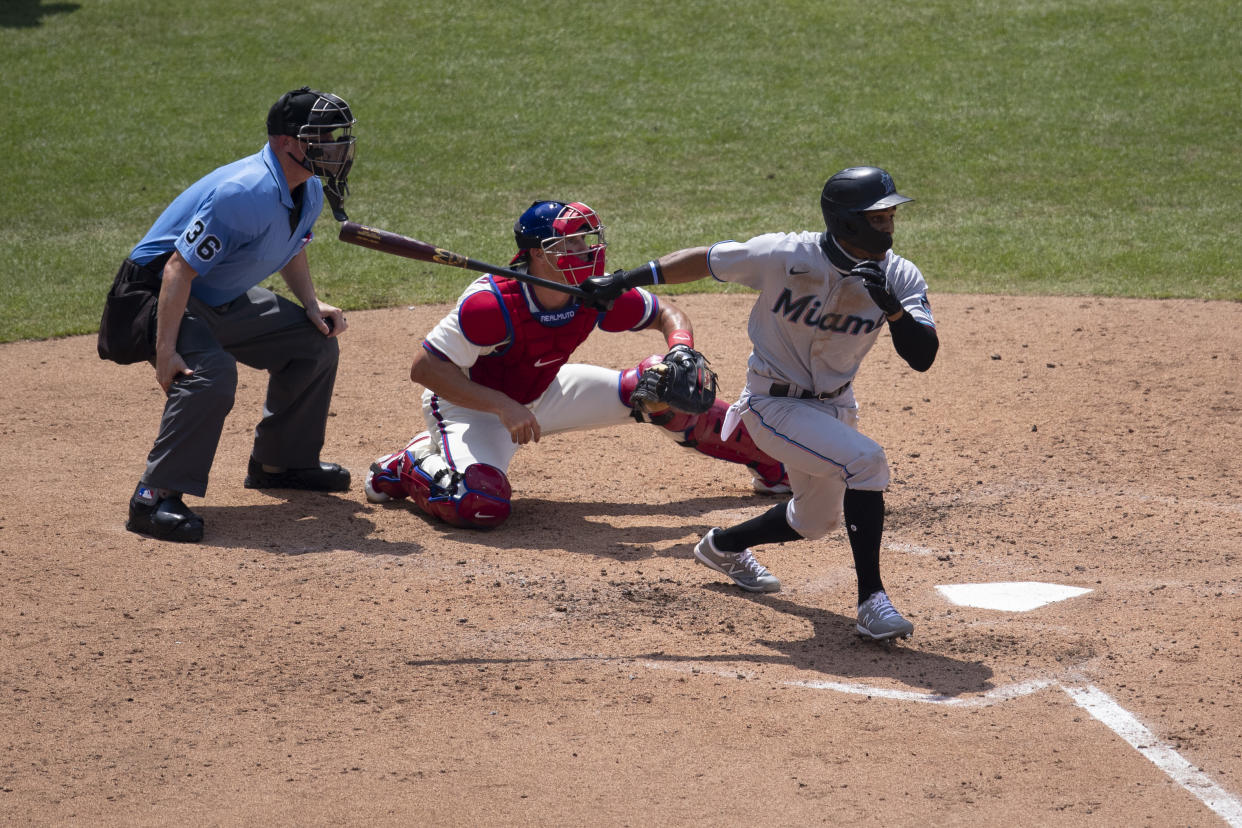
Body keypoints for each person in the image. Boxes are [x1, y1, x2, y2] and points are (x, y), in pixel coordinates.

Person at [578, 167, 939, 641]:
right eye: (878, 217)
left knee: (816, 521)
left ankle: (722, 546)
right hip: (771, 405)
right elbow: (706, 260)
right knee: (867, 463)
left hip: (835, 407)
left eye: (891, 215)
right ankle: (872, 601)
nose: (889, 225)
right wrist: (622, 281)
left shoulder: (899, 276)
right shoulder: (786, 255)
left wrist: (891, 308)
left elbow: (923, 356)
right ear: (848, 221)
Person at [363, 199, 790, 528]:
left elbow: (666, 314)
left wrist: (680, 348)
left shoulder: (593, 292)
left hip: (547, 390)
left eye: (585, 240)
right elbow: (426, 369)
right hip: (472, 408)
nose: (583, 251)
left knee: (663, 389)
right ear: (535, 255)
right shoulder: (490, 305)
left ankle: (775, 469)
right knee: (480, 506)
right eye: (565, 244)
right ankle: (409, 463)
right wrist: (501, 406)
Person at [120, 86, 359, 543]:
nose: (337, 147)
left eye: (339, 136)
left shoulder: (305, 188)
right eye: (323, 137)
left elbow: (292, 246)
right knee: (210, 373)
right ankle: (153, 498)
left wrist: (312, 304)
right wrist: (165, 351)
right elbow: (175, 269)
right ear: (286, 142)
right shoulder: (243, 192)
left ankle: (281, 463)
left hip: (216, 296)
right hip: (153, 294)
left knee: (313, 343)